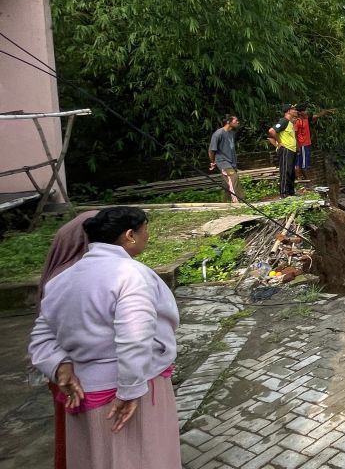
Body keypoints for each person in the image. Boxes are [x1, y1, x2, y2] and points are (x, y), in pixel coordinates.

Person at [29, 207, 181, 469]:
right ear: (130, 235)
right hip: (127, 390)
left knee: (95, 457)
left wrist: (59, 366)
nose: (148, 236)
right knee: (140, 457)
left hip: (83, 389)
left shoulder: (62, 280)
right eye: (146, 230)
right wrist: (129, 390)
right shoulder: (130, 275)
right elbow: (134, 336)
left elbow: (42, 333)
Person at [38, 211, 99, 469]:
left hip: (76, 370)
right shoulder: (70, 279)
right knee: (88, 437)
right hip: (79, 373)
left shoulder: (67, 272)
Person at [292, 105, 334, 183]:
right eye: (304, 111)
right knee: (304, 164)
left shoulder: (306, 118)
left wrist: (326, 111)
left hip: (307, 144)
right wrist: (298, 146)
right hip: (302, 144)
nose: (306, 112)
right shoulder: (297, 121)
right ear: (300, 112)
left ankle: (303, 180)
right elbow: (295, 135)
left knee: (303, 162)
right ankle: (307, 181)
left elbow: (317, 115)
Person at [207, 114, 241, 203]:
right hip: (222, 162)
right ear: (228, 122)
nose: (238, 122)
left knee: (227, 183)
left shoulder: (231, 133)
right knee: (234, 177)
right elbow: (211, 150)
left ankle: (226, 202)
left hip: (231, 161)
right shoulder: (218, 134)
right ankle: (238, 202)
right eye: (235, 120)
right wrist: (213, 161)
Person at [268, 104, 299, 198]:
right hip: (286, 150)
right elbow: (271, 131)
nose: (296, 111)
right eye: (293, 109)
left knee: (291, 172)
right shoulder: (284, 121)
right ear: (288, 111)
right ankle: (284, 193)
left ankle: (290, 192)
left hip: (291, 150)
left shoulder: (290, 123)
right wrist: (279, 142)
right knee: (285, 171)